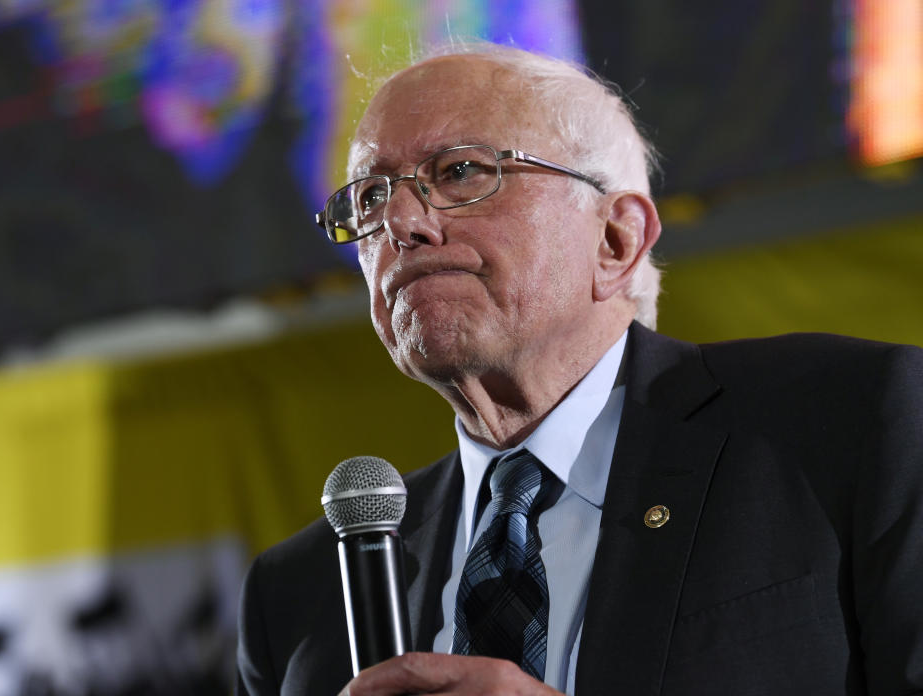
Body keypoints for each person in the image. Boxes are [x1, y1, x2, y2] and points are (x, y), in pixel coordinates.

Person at [236, 43, 923, 695]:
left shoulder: (851, 428)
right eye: (372, 197)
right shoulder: (298, 593)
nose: (403, 224)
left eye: (461, 172)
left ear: (616, 239)